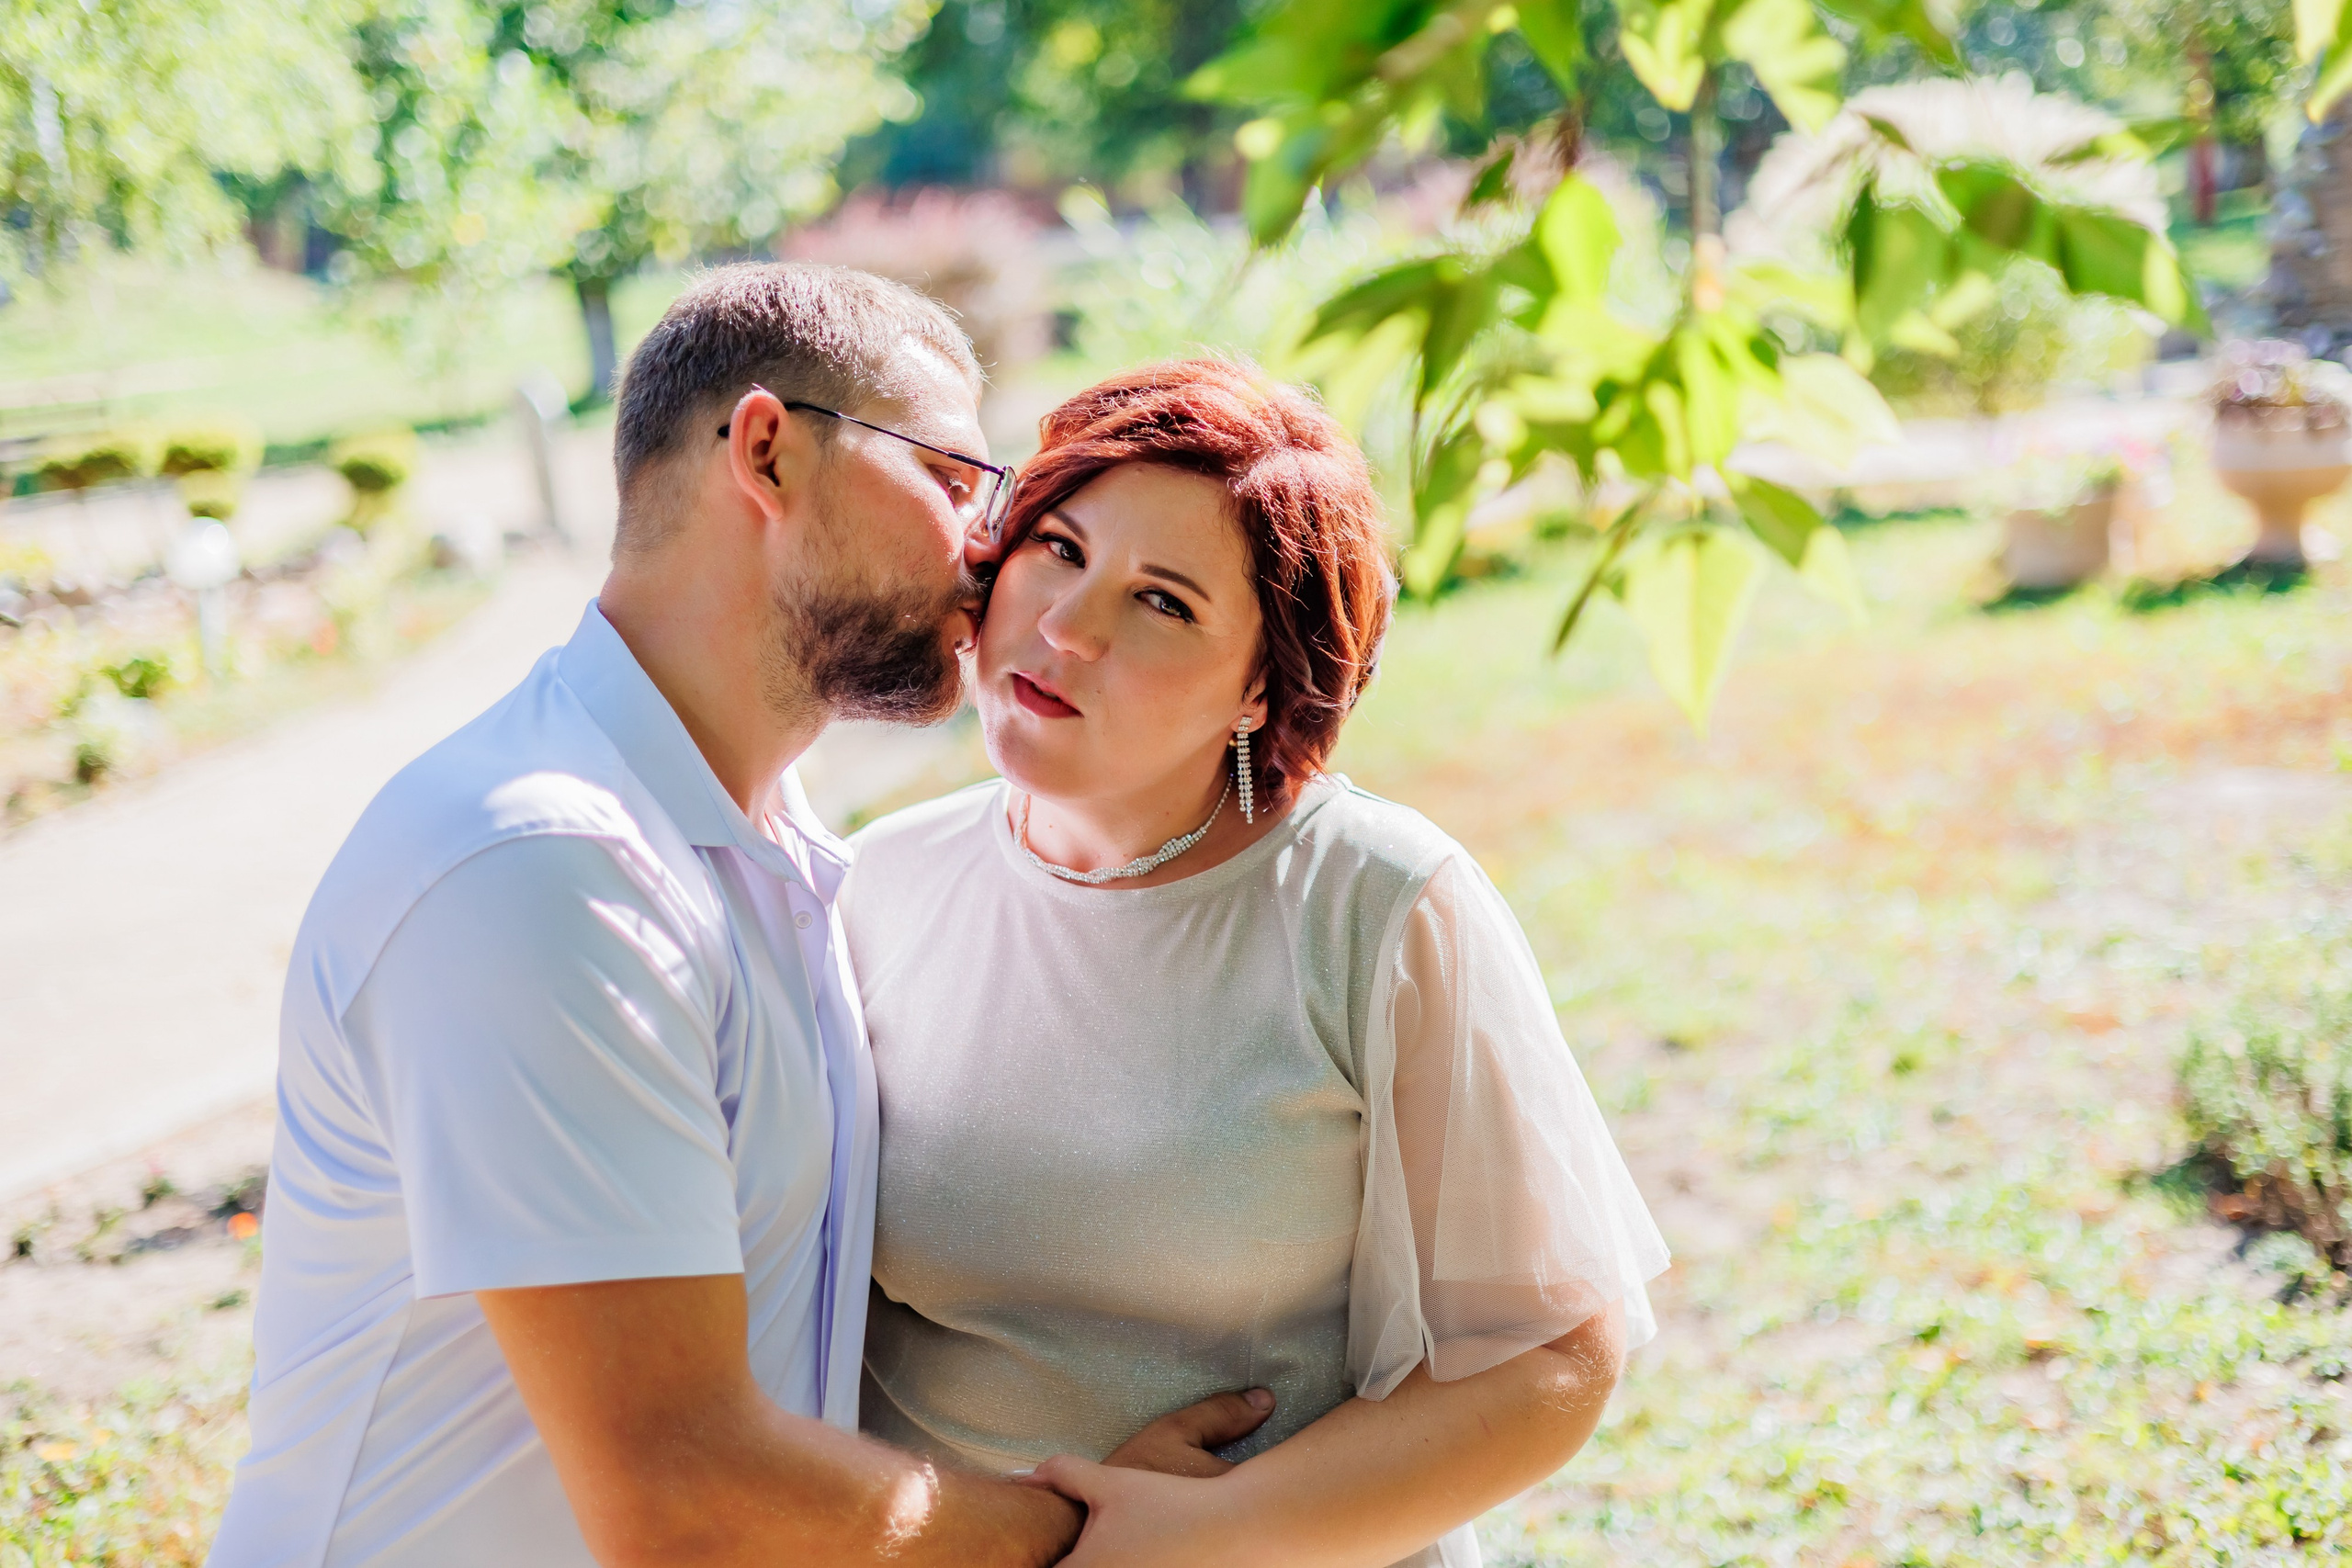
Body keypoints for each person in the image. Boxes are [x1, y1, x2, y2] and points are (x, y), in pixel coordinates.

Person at [206, 265, 1261, 1568]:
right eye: (951, 480)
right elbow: (681, 1493)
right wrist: (1082, 1532)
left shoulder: (783, 859)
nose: (988, 547)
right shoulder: (541, 866)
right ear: (767, 450)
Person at [840, 359, 1672, 1568]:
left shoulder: (1378, 904)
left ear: (1260, 690)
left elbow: (1553, 1355)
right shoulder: (871, 885)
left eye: (1163, 602)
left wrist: (1205, 1534)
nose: (1069, 629)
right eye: (1060, 550)